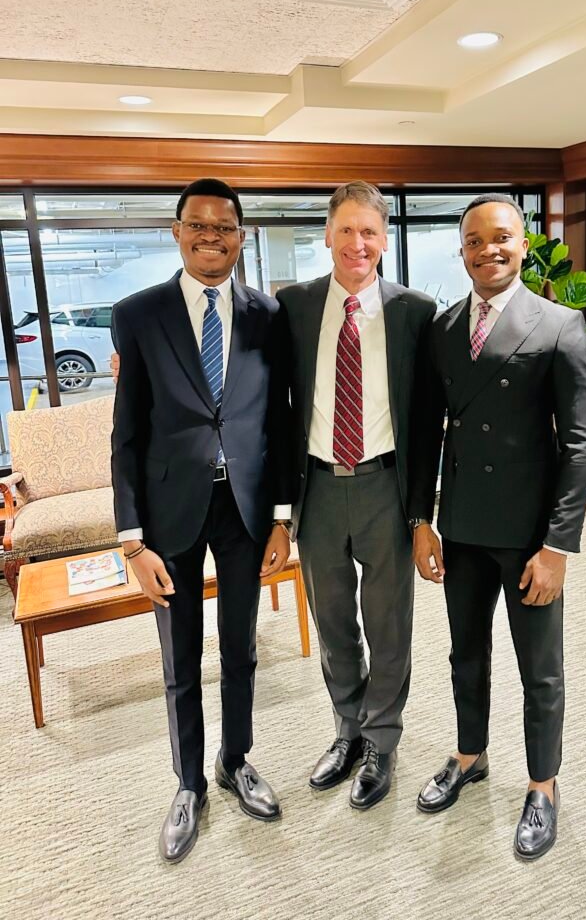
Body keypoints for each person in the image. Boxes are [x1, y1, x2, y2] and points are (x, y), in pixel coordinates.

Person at [409, 193, 586, 860]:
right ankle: (469, 756)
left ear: (524, 245)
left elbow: (581, 445)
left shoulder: (558, 325)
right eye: (474, 241)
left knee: (539, 670)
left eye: (501, 239)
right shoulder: (442, 327)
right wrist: (421, 520)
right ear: (460, 251)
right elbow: (423, 432)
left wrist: (557, 546)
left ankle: (542, 786)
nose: (488, 250)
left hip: (528, 537)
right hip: (459, 527)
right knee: (466, 653)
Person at [111, 177, 294, 864]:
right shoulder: (137, 314)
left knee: (241, 648)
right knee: (179, 657)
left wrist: (281, 517)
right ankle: (188, 784)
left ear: (241, 237)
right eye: (198, 224)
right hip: (168, 512)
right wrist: (131, 540)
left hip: (244, 508)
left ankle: (235, 759)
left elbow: (276, 420)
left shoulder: (269, 316)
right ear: (177, 230)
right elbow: (125, 433)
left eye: (224, 226)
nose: (210, 235)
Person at [276, 181, 435, 810]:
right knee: (333, 620)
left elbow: (426, 422)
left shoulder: (415, 312)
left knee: (388, 623)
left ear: (384, 239)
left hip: (384, 487)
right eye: (346, 230)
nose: (358, 243)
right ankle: (346, 728)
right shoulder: (292, 306)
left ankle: (381, 741)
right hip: (316, 487)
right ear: (327, 236)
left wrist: (423, 512)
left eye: (369, 231)